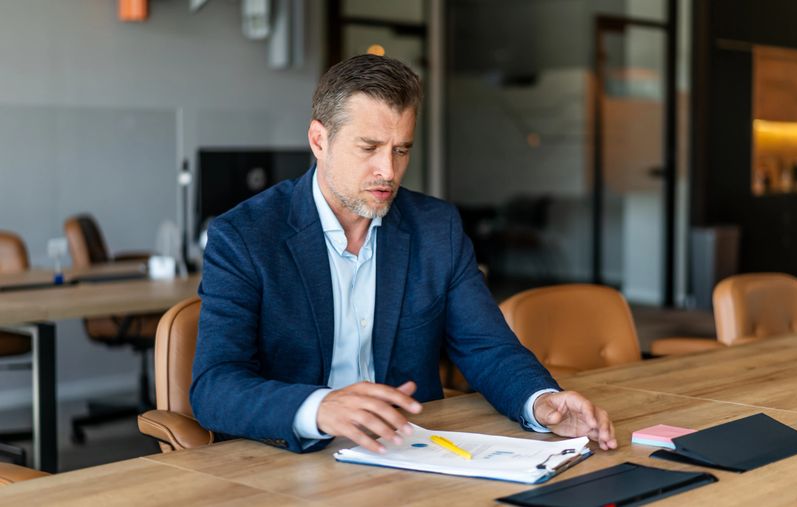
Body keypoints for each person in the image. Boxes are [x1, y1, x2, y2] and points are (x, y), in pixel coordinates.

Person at [191, 54, 617, 454]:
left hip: (410, 454)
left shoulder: (436, 227)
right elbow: (215, 386)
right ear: (319, 140)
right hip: (289, 460)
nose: (388, 171)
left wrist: (540, 402)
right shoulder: (244, 236)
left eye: (401, 150)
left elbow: (486, 346)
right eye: (369, 148)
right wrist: (318, 408)